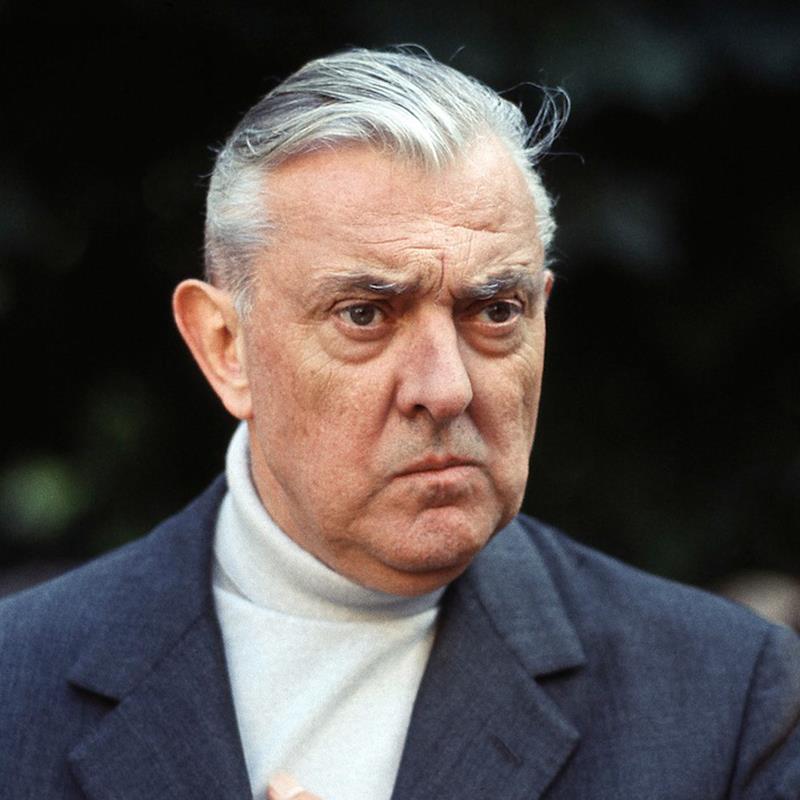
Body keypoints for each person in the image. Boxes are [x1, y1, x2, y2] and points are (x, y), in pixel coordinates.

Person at [1, 48, 798, 800]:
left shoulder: (727, 697)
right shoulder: (17, 682)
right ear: (225, 347)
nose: (445, 389)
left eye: (496, 310)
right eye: (364, 314)